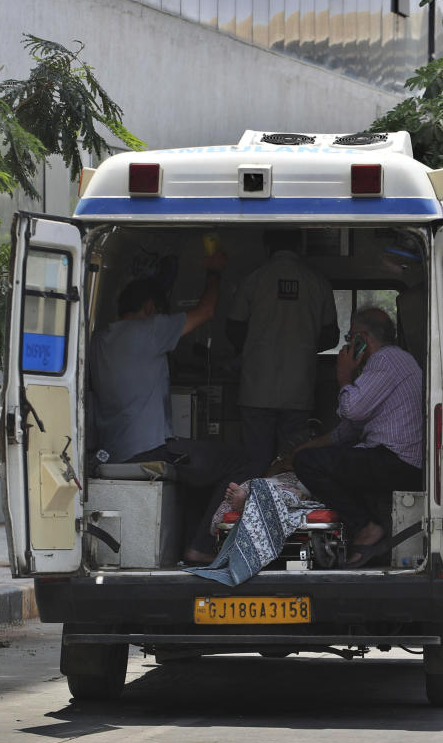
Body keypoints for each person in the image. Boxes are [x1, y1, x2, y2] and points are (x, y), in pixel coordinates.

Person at [90, 252, 261, 565]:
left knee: (198, 468)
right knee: (241, 460)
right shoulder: (150, 329)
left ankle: (190, 544)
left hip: (113, 452)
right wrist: (214, 272)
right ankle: (202, 546)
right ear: (151, 309)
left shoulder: (99, 340)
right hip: (150, 452)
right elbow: (206, 311)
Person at [285, 308, 423, 567]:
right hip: (392, 459)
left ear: (361, 338)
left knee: (310, 464)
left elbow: (352, 409)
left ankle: (366, 527)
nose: (348, 345)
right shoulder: (389, 364)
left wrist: (344, 375)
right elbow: (346, 431)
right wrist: (306, 449)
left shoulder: (387, 359)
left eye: (350, 338)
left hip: (396, 460)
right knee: (311, 459)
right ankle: (363, 533)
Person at [227, 230, 338, 471]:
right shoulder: (318, 282)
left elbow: (233, 328)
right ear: (300, 247)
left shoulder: (254, 279)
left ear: (267, 248)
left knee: (255, 463)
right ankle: (286, 506)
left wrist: (256, 345)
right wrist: (302, 344)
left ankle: (253, 505)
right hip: (299, 389)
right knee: (291, 460)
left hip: (255, 389)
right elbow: (331, 336)